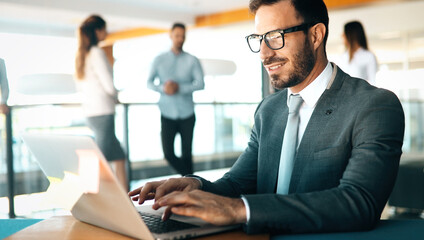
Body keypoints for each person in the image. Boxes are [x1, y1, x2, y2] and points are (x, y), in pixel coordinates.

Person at [130, 0, 404, 235]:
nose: (264, 53)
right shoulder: (268, 110)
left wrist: (241, 210)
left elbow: (358, 203)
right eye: (259, 39)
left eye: (275, 36)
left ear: (316, 35)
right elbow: (237, 184)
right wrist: (196, 185)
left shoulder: (374, 106)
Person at [75, 15, 128, 190]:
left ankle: (127, 197)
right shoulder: (97, 53)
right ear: (98, 31)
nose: (107, 32)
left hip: (91, 112)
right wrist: (116, 94)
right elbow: (108, 84)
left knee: (119, 155)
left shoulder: (83, 55)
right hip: (103, 112)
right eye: (105, 29)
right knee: (100, 159)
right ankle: (89, 196)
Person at [147, 23, 204, 176]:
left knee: (187, 154)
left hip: (187, 114)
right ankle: (193, 181)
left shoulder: (192, 60)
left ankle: (191, 189)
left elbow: (200, 84)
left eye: (183, 36)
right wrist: (163, 88)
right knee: (168, 153)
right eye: (177, 35)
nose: (180, 39)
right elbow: (149, 82)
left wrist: (179, 88)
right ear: (171, 36)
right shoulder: (159, 59)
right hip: (167, 113)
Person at [337, 20, 378, 85]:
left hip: (362, 94)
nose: (342, 35)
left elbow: (373, 81)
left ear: (351, 35)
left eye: (344, 33)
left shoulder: (368, 56)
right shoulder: (342, 57)